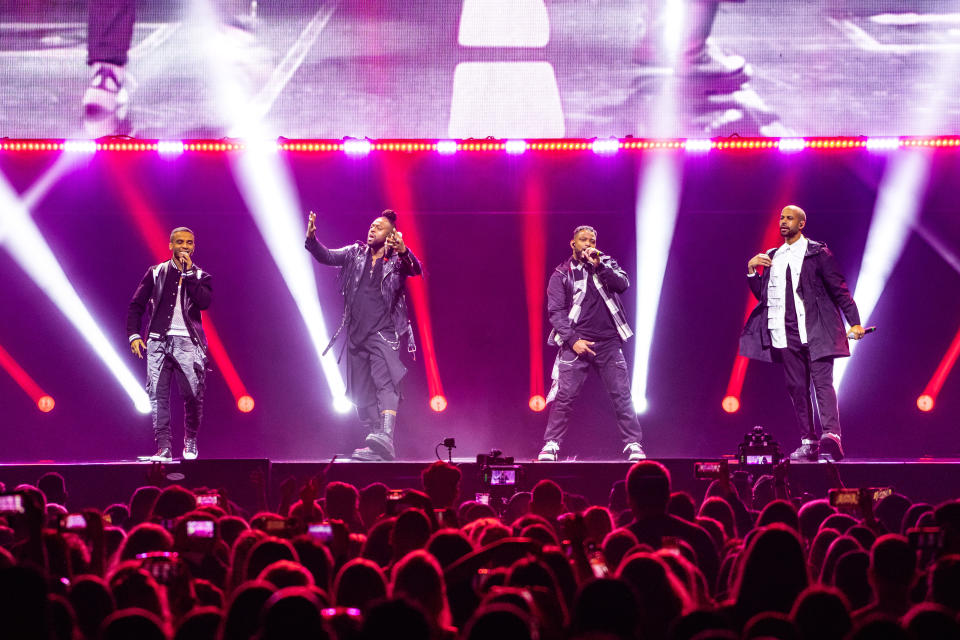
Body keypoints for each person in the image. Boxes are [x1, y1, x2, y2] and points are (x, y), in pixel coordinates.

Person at [740, 205, 864, 461]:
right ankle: (809, 441)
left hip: (817, 329)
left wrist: (854, 322)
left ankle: (832, 437)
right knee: (797, 387)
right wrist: (752, 270)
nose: (783, 222)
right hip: (785, 333)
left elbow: (839, 289)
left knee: (822, 383)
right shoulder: (773, 256)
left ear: (801, 223)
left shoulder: (817, 253)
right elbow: (764, 296)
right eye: (781, 218)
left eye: (789, 218)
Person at [305, 209, 421, 461]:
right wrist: (312, 241)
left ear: (391, 236)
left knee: (385, 384)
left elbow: (416, 269)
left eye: (378, 227)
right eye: (371, 225)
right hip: (357, 334)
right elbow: (326, 256)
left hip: (383, 332)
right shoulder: (354, 254)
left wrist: (403, 250)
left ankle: (386, 438)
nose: (372, 229)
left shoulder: (397, 260)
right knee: (360, 391)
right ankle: (376, 446)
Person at [538, 225, 645, 462]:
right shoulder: (561, 273)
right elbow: (556, 312)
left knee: (621, 394)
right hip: (577, 342)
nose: (588, 244)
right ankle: (551, 444)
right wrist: (573, 340)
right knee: (564, 396)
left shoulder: (606, 264)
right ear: (573, 244)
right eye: (583, 240)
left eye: (592, 240)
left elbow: (622, 285)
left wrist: (599, 266)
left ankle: (633, 444)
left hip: (608, 342)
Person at [127, 227, 212, 462]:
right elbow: (137, 305)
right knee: (157, 394)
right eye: (180, 242)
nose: (184, 246)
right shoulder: (155, 273)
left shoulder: (201, 276)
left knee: (194, 395)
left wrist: (188, 276)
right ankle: (163, 447)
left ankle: (191, 439)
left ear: (193, 247)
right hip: (157, 340)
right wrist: (134, 335)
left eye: (189, 243)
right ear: (171, 245)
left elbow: (204, 302)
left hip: (188, 343)